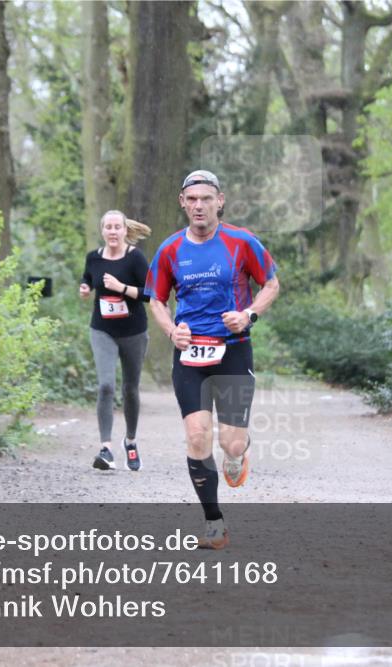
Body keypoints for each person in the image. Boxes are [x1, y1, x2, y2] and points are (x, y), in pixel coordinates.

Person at [146, 170, 280, 549]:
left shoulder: (242, 242)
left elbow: (271, 283)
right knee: (196, 434)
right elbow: (155, 299)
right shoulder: (170, 249)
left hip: (234, 351)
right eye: (192, 199)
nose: (199, 205)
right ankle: (214, 523)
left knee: (231, 443)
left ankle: (239, 454)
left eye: (206, 198)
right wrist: (172, 330)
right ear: (182, 203)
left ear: (220, 200)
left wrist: (248, 315)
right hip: (190, 355)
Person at [80, 210, 152, 471]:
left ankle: (130, 442)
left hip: (133, 332)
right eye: (108, 227)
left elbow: (150, 293)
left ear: (124, 230)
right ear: (102, 231)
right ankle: (106, 448)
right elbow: (88, 278)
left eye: (116, 227)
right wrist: (85, 288)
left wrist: (121, 287)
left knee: (130, 389)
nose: (112, 231)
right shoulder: (93, 258)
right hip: (102, 331)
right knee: (106, 386)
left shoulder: (135, 258)